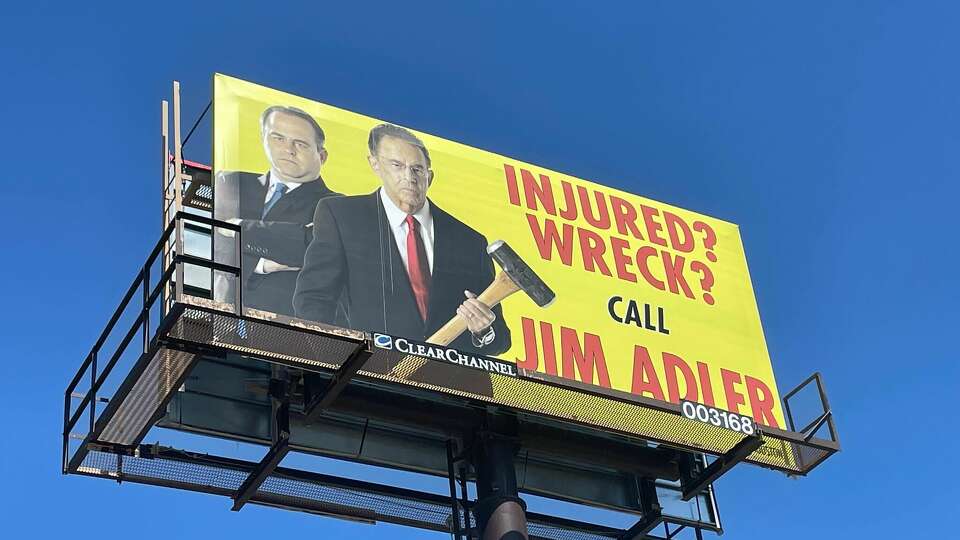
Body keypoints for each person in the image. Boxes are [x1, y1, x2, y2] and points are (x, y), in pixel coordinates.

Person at [294, 124, 510, 392]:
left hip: (456, 397)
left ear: (430, 176)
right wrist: (335, 368)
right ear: (375, 164)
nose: (409, 177)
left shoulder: (469, 240)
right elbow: (312, 300)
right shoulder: (341, 216)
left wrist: (483, 330)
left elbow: (500, 339)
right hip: (368, 385)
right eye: (397, 165)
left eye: (417, 169)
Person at [213, 105, 338, 317]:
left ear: (322, 156)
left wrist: (238, 226)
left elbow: (308, 248)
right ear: (263, 139)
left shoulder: (337, 205)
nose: (288, 149)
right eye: (278, 138)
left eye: (301, 143)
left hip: (289, 328)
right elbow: (213, 244)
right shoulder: (231, 182)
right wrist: (261, 264)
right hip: (223, 315)